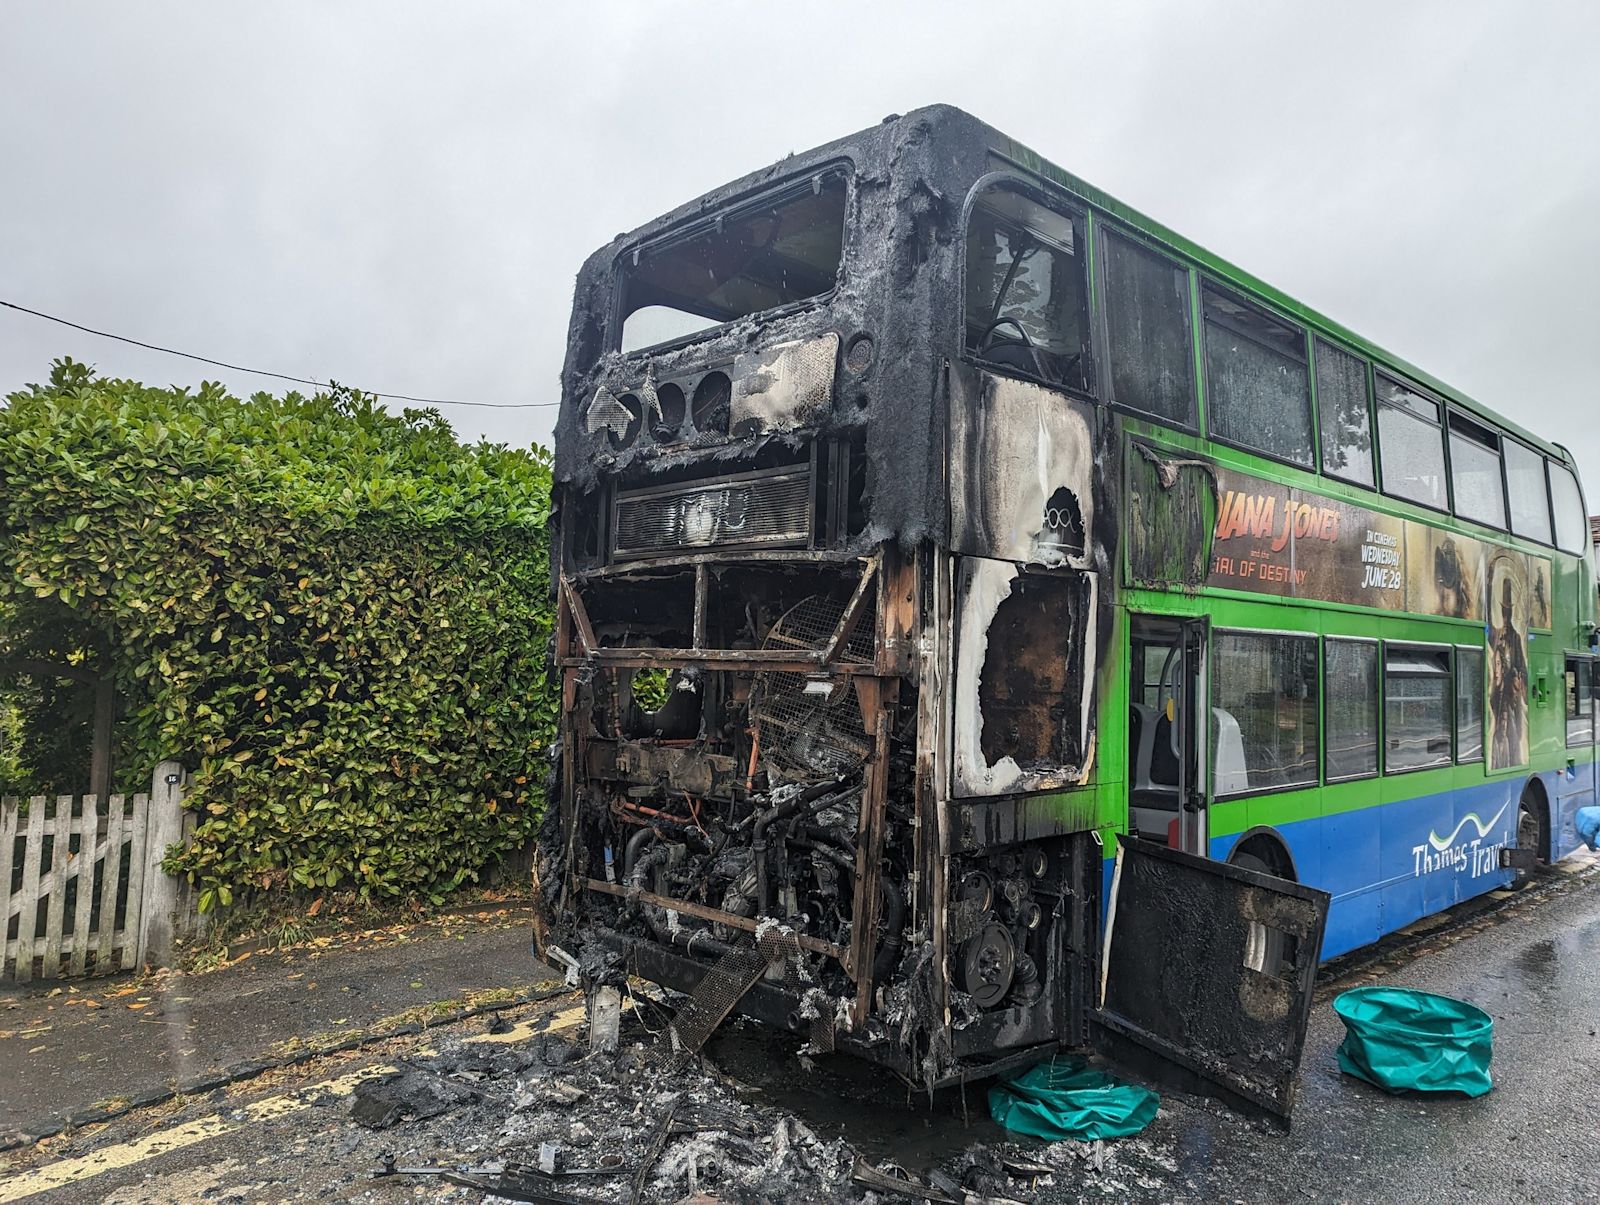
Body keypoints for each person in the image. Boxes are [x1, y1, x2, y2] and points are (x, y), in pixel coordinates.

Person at [1488, 576, 1527, 769]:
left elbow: (1523, 671)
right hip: (1498, 699)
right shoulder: (1494, 635)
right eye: (1504, 608)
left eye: (1509, 608)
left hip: (1511, 701)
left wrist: (1517, 681)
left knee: (1512, 737)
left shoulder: (1516, 638)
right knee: (1499, 737)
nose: (1507, 612)